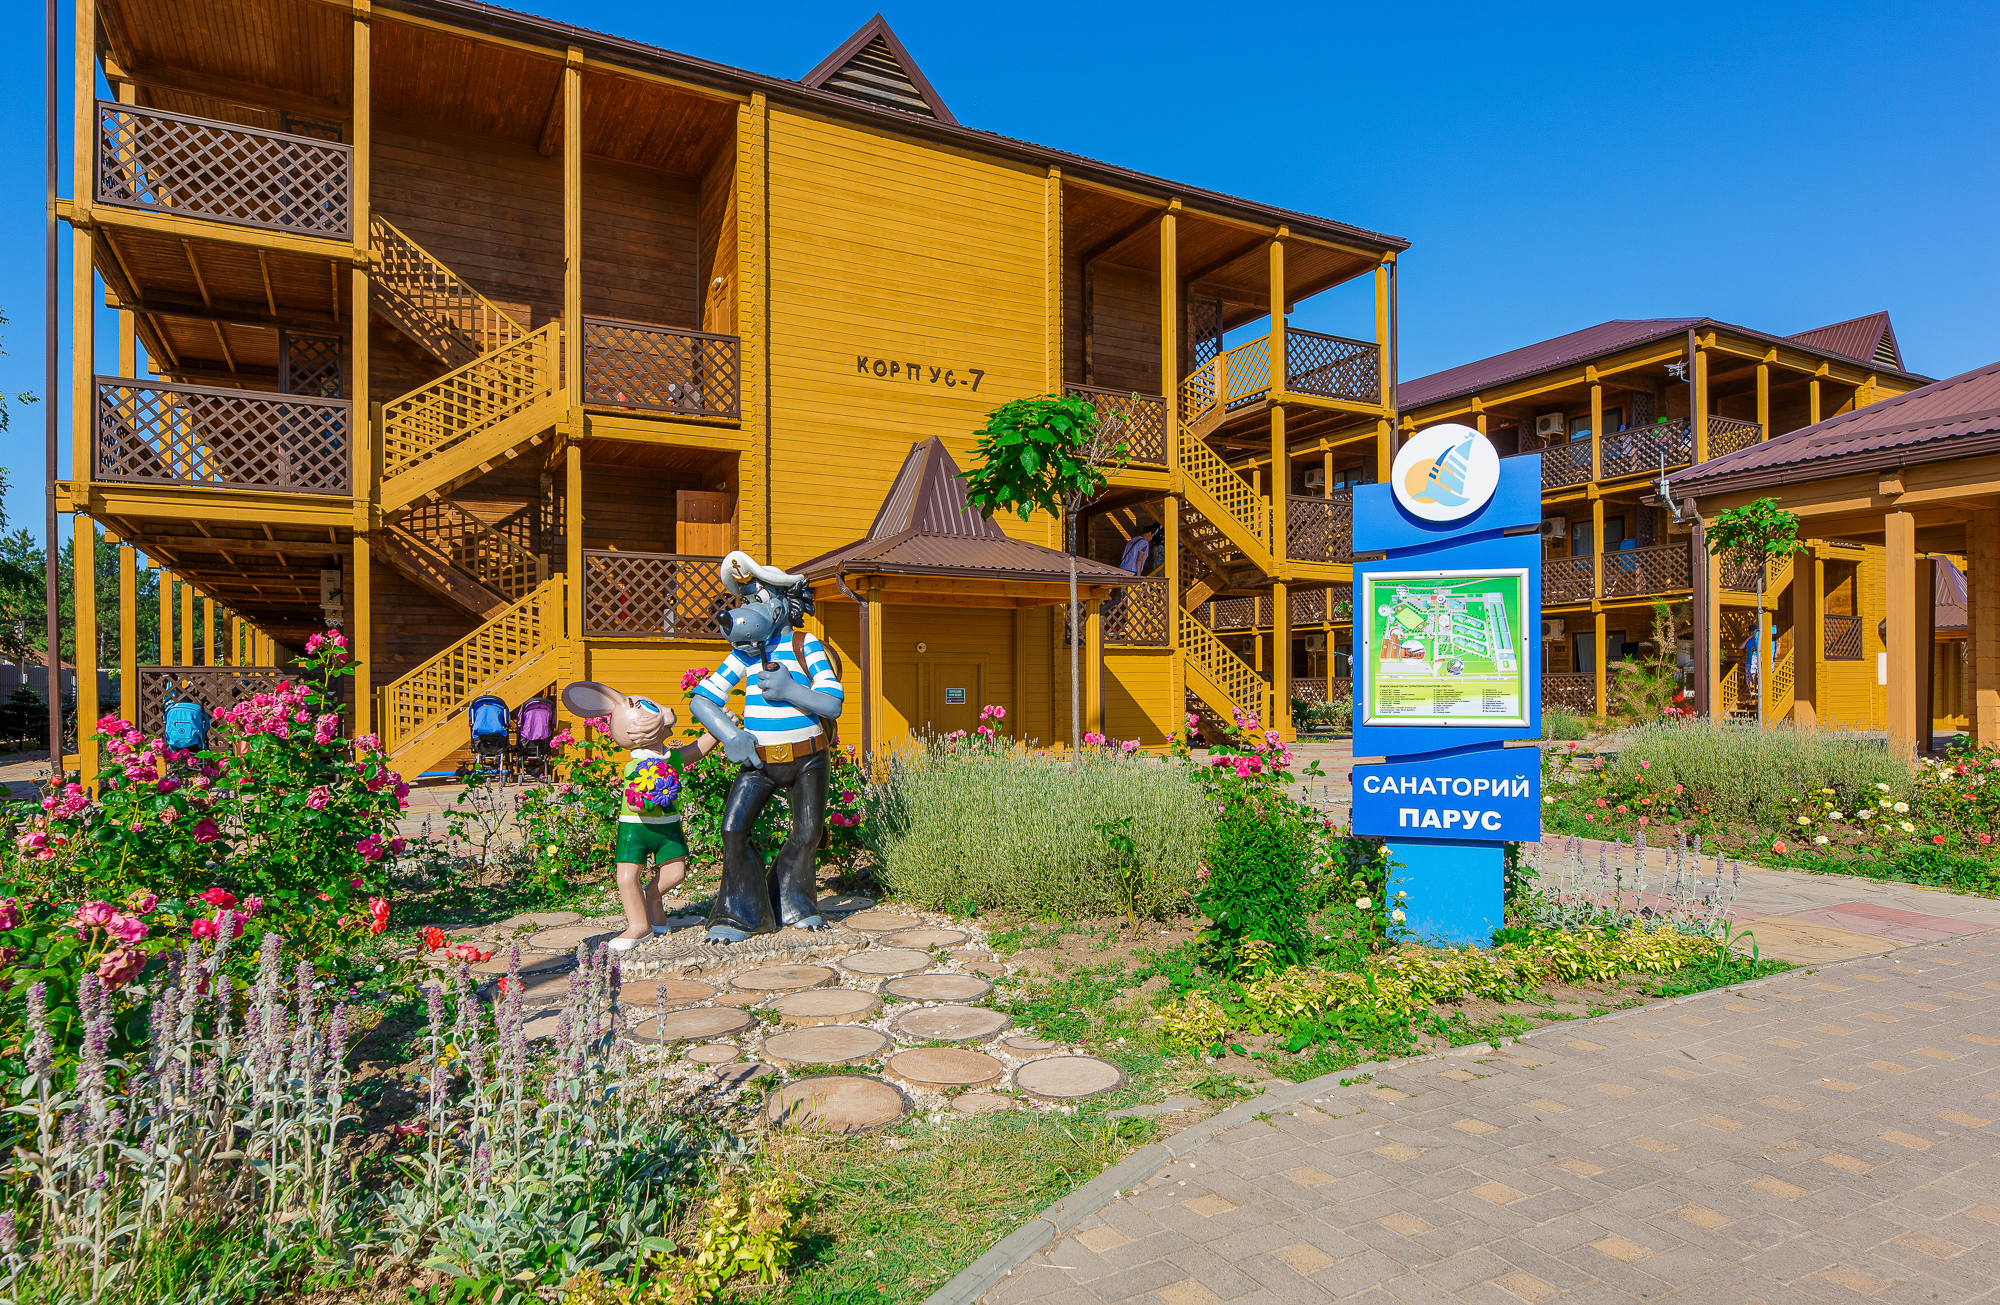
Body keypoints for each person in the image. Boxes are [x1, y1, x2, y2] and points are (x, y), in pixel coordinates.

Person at [558, 682, 719, 950]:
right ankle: (639, 926)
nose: (664, 710)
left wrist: (718, 729)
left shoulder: (669, 758)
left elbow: (695, 750)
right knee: (626, 877)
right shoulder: (636, 764)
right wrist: (643, 802)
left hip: (667, 826)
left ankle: (652, 898)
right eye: (651, 707)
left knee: (676, 873)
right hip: (635, 828)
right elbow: (635, 800)